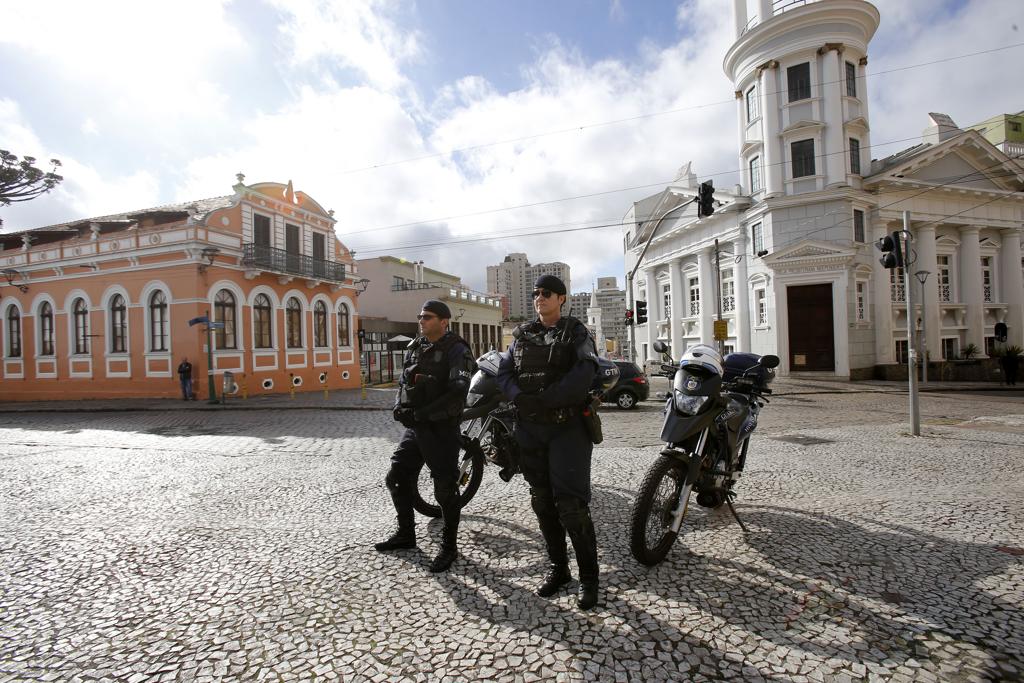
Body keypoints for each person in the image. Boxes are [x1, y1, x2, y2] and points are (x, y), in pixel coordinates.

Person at [496, 275, 601, 610]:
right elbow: (504, 373)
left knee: (571, 507)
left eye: (547, 293)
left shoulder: (576, 332)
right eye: (536, 293)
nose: (539, 298)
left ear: (562, 298)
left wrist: (544, 400)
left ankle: (589, 579)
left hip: (567, 427)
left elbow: (583, 375)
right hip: (531, 429)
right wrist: (519, 397)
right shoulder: (522, 335)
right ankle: (559, 570)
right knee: (541, 502)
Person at [375, 300, 476, 573]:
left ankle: (449, 548)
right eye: (420, 316)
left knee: (445, 490)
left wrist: (424, 414)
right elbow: (403, 382)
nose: (422, 321)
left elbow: (457, 390)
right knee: (396, 477)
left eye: (428, 317)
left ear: (444, 321)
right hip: (416, 428)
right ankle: (406, 534)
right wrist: (399, 406)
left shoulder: (457, 349)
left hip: (441, 428)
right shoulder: (417, 346)